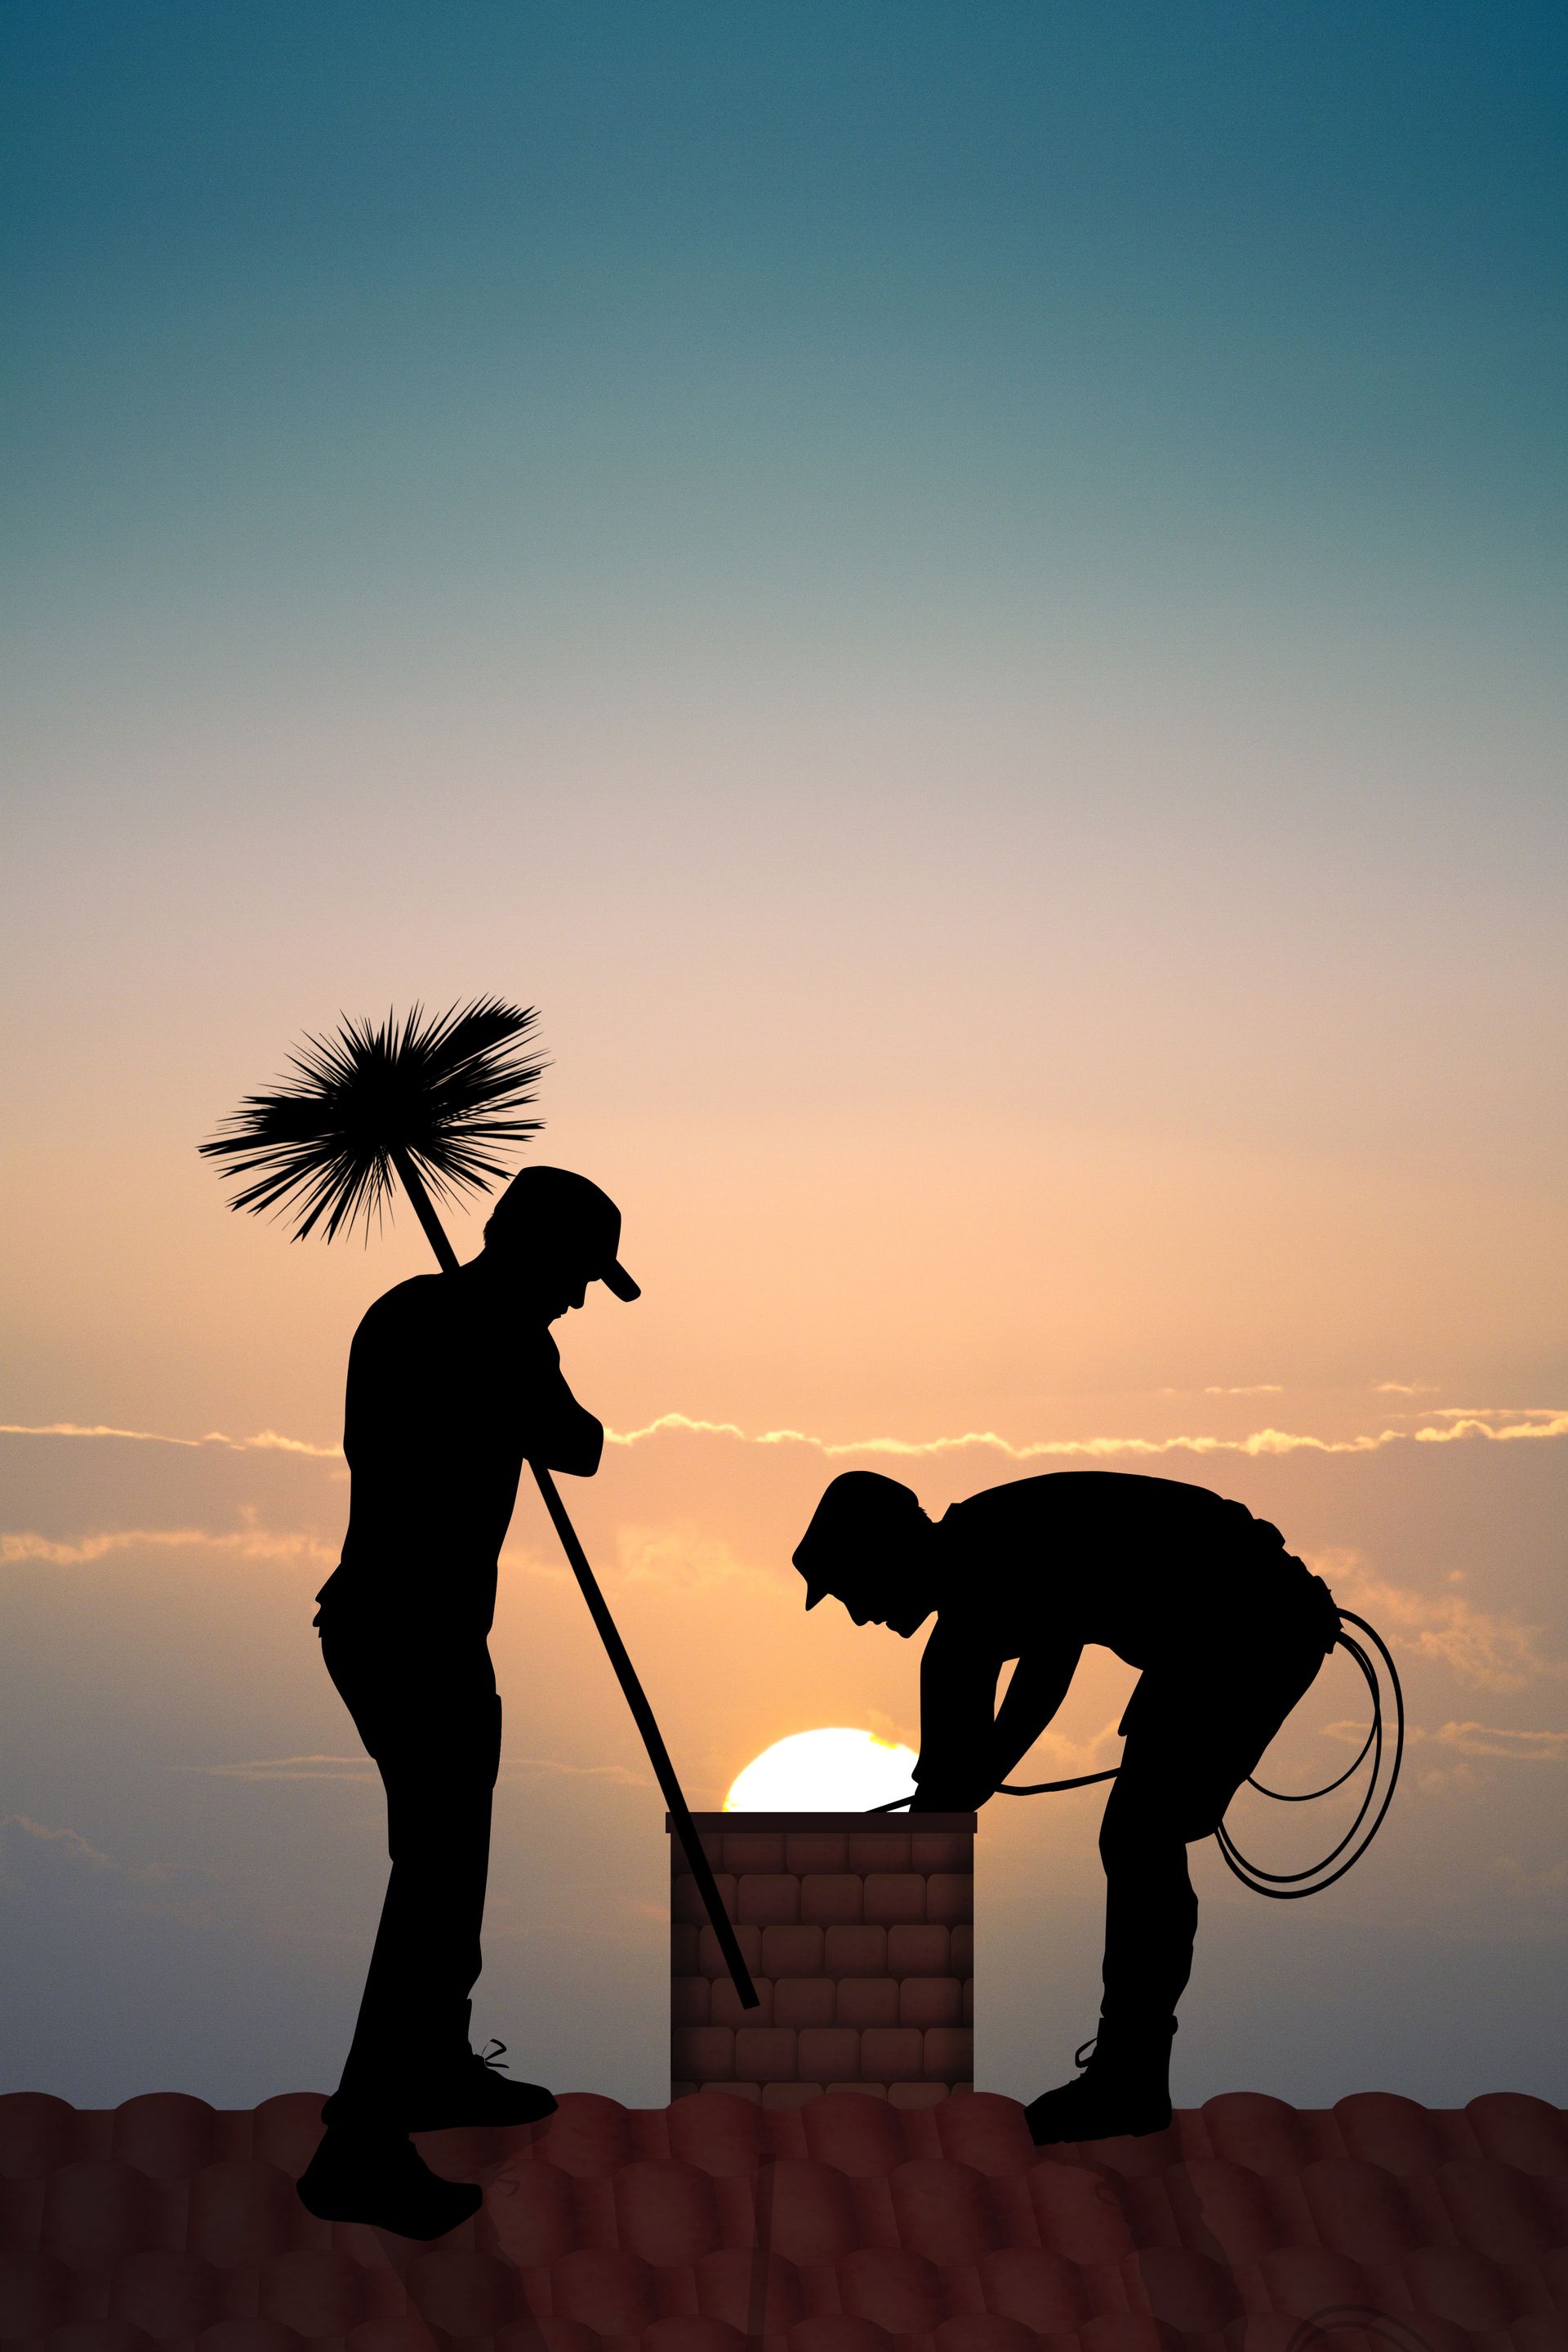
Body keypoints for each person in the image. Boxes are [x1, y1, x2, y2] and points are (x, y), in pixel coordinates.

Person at [791, 1467, 1339, 2144]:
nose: (858, 1613)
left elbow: (1044, 1670)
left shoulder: (987, 1555)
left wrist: (971, 1782)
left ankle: (1131, 2076)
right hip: (1209, 1642)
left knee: (1141, 1834)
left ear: (884, 1551)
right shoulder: (962, 1613)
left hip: (1254, 1624)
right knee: (1142, 1831)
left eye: (850, 1589)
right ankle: (1130, 2070)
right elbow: (953, 1788)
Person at [297, 1165, 639, 2236]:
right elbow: (574, 1443)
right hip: (406, 1637)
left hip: (420, 1635)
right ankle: (361, 2144)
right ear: (535, 1251)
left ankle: (438, 2064)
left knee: (450, 1862)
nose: (581, 1297)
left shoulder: (432, 1318)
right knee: (434, 1877)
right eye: (579, 1275)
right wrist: (511, 1370)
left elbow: (572, 1448)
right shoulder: (454, 1327)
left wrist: (517, 1366)